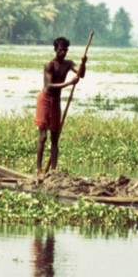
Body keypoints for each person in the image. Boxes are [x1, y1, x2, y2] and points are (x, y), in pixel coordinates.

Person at [34, 36, 87, 175]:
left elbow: (81, 75)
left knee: (54, 137)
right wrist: (69, 83)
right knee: (43, 137)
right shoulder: (49, 65)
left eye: (65, 50)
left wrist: (83, 63)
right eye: (60, 50)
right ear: (55, 49)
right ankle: (39, 170)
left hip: (56, 101)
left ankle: (53, 171)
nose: (63, 53)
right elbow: (49, 85)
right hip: (45, 99)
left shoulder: (68, 64)